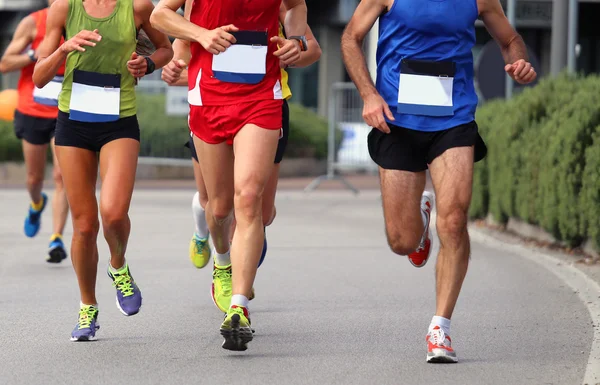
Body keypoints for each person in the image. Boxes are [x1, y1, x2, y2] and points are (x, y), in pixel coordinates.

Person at [341, 0, 536, 363]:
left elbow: (510, 40)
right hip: (395, 120)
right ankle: (420, 219)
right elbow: (350, 37)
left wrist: (519, 60)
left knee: (455, 220)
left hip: (454, 118)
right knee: (401, 241)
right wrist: (368, 93)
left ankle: (440, 327)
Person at [151, 0, 308, 350]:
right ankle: (222, 262)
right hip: (209, 98)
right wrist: (201, 35)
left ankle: (239, 306)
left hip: (260, 98)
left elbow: (297, 7)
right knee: (219, 209)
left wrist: (296, 41)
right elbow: (159, 14)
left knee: (249, 200)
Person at [33, 0, 173, 341]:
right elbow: (39, 77)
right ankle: (87, 307)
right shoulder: (64, 8)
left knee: (112, 213)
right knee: (83, 226)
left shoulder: (138, 7)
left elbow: (166, 49)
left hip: (119, 120)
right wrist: (64, 47)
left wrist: (148, 64)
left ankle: (118, 265)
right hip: (73, 121)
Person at [0, 0, 70, 263]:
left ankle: (56, 238)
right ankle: (37, 203)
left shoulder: (82, 21)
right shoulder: (32, 22)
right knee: (33, 179)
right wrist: (33, 54)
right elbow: (5, 64)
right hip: (32, 110)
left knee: (62, 176)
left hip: (66, 111)